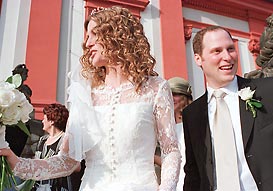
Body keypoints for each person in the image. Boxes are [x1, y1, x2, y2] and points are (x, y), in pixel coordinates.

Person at [0, 6, 181, 191]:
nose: (87, 44)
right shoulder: (86, 95)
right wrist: (19, 164)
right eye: (87, 37)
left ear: (117, 35)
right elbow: (67, 161)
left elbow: (170, 150)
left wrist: (167, 188)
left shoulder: (156, 88)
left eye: (94, 34)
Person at [182, 26, 273, 191]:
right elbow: (194, 173)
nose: (227, 57)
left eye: (230, 49)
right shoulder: (192, 114)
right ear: (198, 59)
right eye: (217, 51)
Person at [154, 77, 193, 190]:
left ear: (185, 97)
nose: (171, 97)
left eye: (175, 94)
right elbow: (169, 160)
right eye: (168, 93)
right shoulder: (161, 127)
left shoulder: (194, 122)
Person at [32, 103, 72, 191]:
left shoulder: (64, 140)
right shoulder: (42, 140)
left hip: (58, 187)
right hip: (39, 187)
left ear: (52, 121)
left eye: (44, 118)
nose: (42, 121)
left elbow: (74, 166)